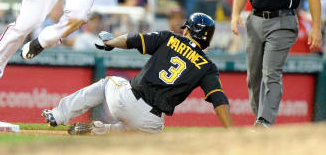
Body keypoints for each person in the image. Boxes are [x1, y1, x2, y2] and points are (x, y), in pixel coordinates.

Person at [41, 13, 232, 134]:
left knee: (108, 82)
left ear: (189, 31)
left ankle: (59, 115)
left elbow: (134, 40)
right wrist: (231, 132)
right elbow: (219, 100)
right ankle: (99, 131)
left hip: (128, 101)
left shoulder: (170, 38)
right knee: (136, 132)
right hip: (152, 123)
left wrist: (111, 42)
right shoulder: (208, 66)